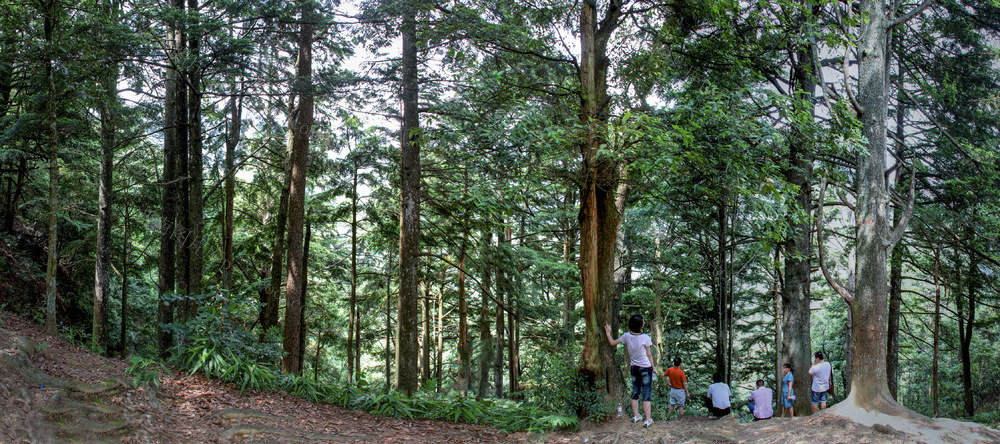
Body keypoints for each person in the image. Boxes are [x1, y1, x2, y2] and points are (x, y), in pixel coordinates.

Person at [605, 314, 655, 428]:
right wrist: (653, 368)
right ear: (641, 325)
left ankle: (637, 416)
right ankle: (648, 420)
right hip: (646, 368)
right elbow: (649, 355)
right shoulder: (645, 337)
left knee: (635, 391)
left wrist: (608, 332)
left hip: (634, 368)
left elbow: (612, 342)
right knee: (646, 393)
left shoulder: (626, 336)